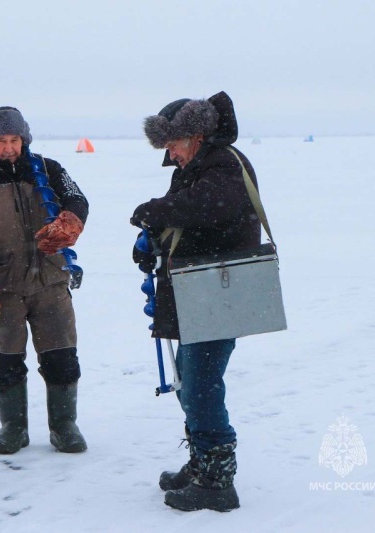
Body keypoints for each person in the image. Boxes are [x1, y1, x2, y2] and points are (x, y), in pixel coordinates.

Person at [130, 92, 259, 512]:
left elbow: (208, 207)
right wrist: (152, 240)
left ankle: (218, 482)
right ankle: (202, 461)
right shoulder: (194, 167)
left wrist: (155, 210)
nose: (169, 152)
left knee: (201, 384)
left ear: (195, 135)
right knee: (190, 377)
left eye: (173, 142)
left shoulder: (222, 164)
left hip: (220, 288)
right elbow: (185, 219)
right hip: (199, 286)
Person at [0, 106, 89, 454]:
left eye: (14, 140)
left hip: (51, 282)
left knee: (62, 357)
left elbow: (77, 198)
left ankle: (64, 426)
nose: (9, 147)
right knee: (5, 360)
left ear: (24, 140)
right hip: (2, 287)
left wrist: (70, 220)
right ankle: (13, 427)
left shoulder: (49, 169)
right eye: (1, 141)